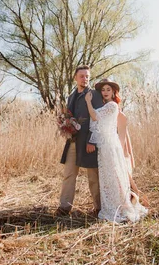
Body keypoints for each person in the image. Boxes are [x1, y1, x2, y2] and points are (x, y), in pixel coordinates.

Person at [85, 79, 148, 222]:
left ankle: (121, 206)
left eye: (108, 89)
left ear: (113, 92)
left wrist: (88, 102)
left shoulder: (112, 106)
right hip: (105, 146)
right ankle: (114, 204)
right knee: (108, 176)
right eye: (103, 90)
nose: (105, 92)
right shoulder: (106, 106)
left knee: (114, 175)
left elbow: (94, 116)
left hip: (110, 146)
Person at [56, 65, 105, 216]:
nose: (85, 79)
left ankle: (99, 208)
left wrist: (92, 141)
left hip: (89, 141)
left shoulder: (94, 95)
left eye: (87, 76)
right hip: (73, 141)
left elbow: (98, 119)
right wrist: (65, 126)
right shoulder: (71, 96)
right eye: (82, 76)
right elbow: (68, 116)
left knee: (93, 176)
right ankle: (64, 208)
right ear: (75, 78)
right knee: (69, 174)